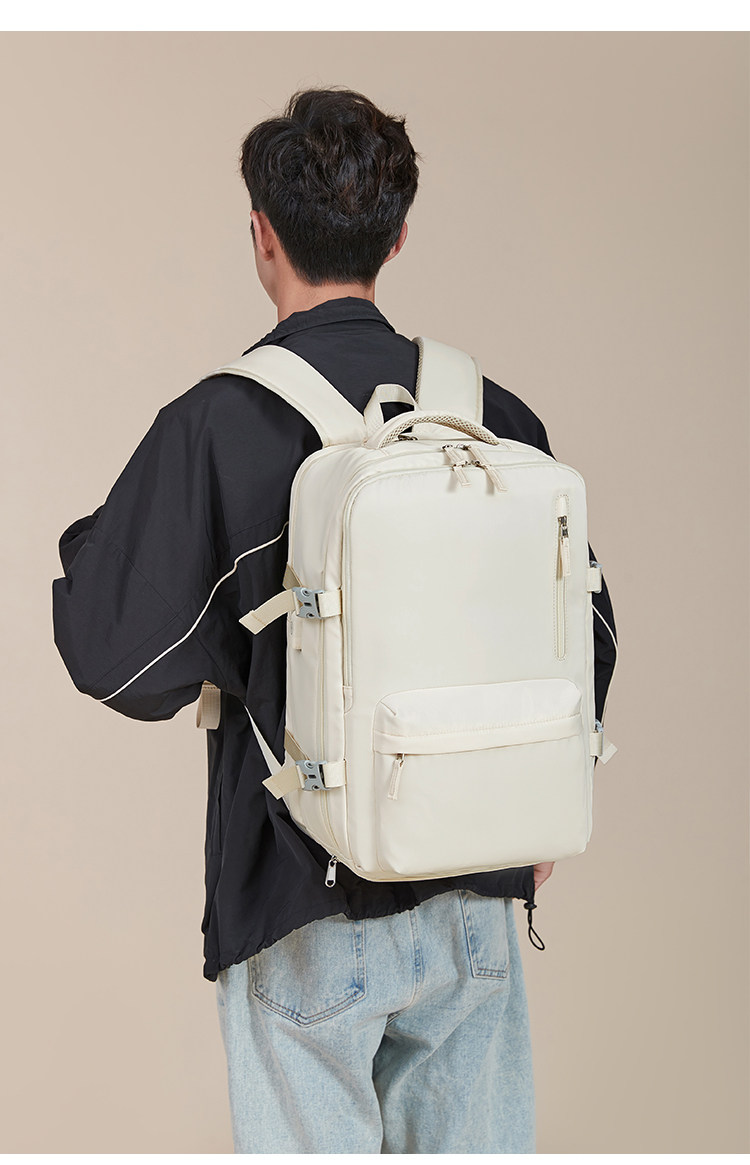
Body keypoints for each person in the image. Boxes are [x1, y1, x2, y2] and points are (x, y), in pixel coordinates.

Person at [52, 87, 618, 1154]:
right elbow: (588, 631)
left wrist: (109, 552)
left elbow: (111, 650)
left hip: (300, 893)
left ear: (261, 235)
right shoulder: (492, 415)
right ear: (397, 237)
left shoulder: (218, 422)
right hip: (476, 896)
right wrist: (532, 813)